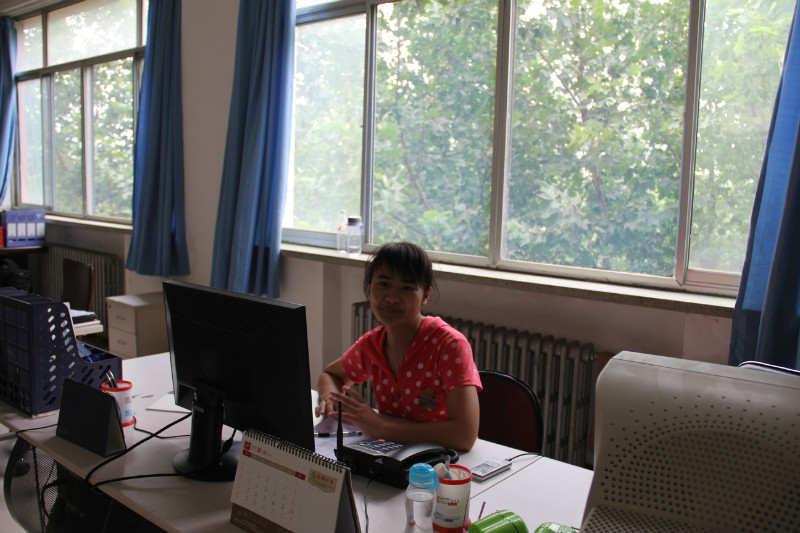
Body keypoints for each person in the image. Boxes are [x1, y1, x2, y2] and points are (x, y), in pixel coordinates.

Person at [315, 242, 482, 451]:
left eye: (407, 288)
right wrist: (330, 399)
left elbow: (464, 436)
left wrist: (381, 427)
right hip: (391, 453)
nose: (392, 298)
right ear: (369, 288)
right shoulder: (373, 344)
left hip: (440, 460)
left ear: (426, 296)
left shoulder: (449, 345)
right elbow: (331, 375)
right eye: (383, 284)